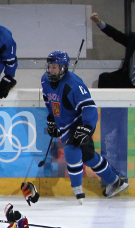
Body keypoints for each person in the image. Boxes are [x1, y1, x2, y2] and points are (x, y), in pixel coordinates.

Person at [40, 49, 128, 204]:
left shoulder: (73, 84)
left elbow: (89, 107)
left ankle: (78, 192)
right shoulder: (45, 80)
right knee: (88, 157)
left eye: (55, 66)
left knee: (71, 149)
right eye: (50, 66)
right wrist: (51, 118)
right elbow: (49, 101)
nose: (51, 70)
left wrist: (86, 127)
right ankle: (116, 182)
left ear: (63, 67)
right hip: (66, 123)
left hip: (80, 121)